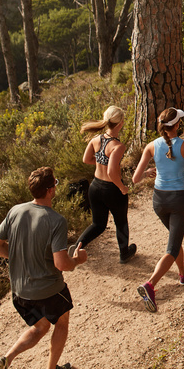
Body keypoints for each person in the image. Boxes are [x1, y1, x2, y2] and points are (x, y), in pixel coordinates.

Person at [0, 167, 87, 369]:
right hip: (49, 290)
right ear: (50, 190)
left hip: (20, 291)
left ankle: (7, 359)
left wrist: (21, 258)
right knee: (61, 323)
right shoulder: (56, 220)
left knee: (40, 327)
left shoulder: (15, 211)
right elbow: (61, 264)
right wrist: (77, 260)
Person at [132, 107, 184, 313]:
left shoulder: (151, 146)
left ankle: (183, 272)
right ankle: (150, 285)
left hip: (159, 201)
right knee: (172, 249)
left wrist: (147, 173)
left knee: (175, 237)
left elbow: (136, 179)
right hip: (179, 200)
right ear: (178, 125)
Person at [74, 106, 136, 264]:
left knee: (98, 224)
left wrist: (101, 161)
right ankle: (124, 253)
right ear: (121, 123)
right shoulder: (117, 146)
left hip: (95, 187)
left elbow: (86, 160)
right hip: (112, 189)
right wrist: (122, 187)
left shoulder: (96, 140)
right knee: (120, 221)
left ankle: (75, 248)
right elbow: (111, 172)